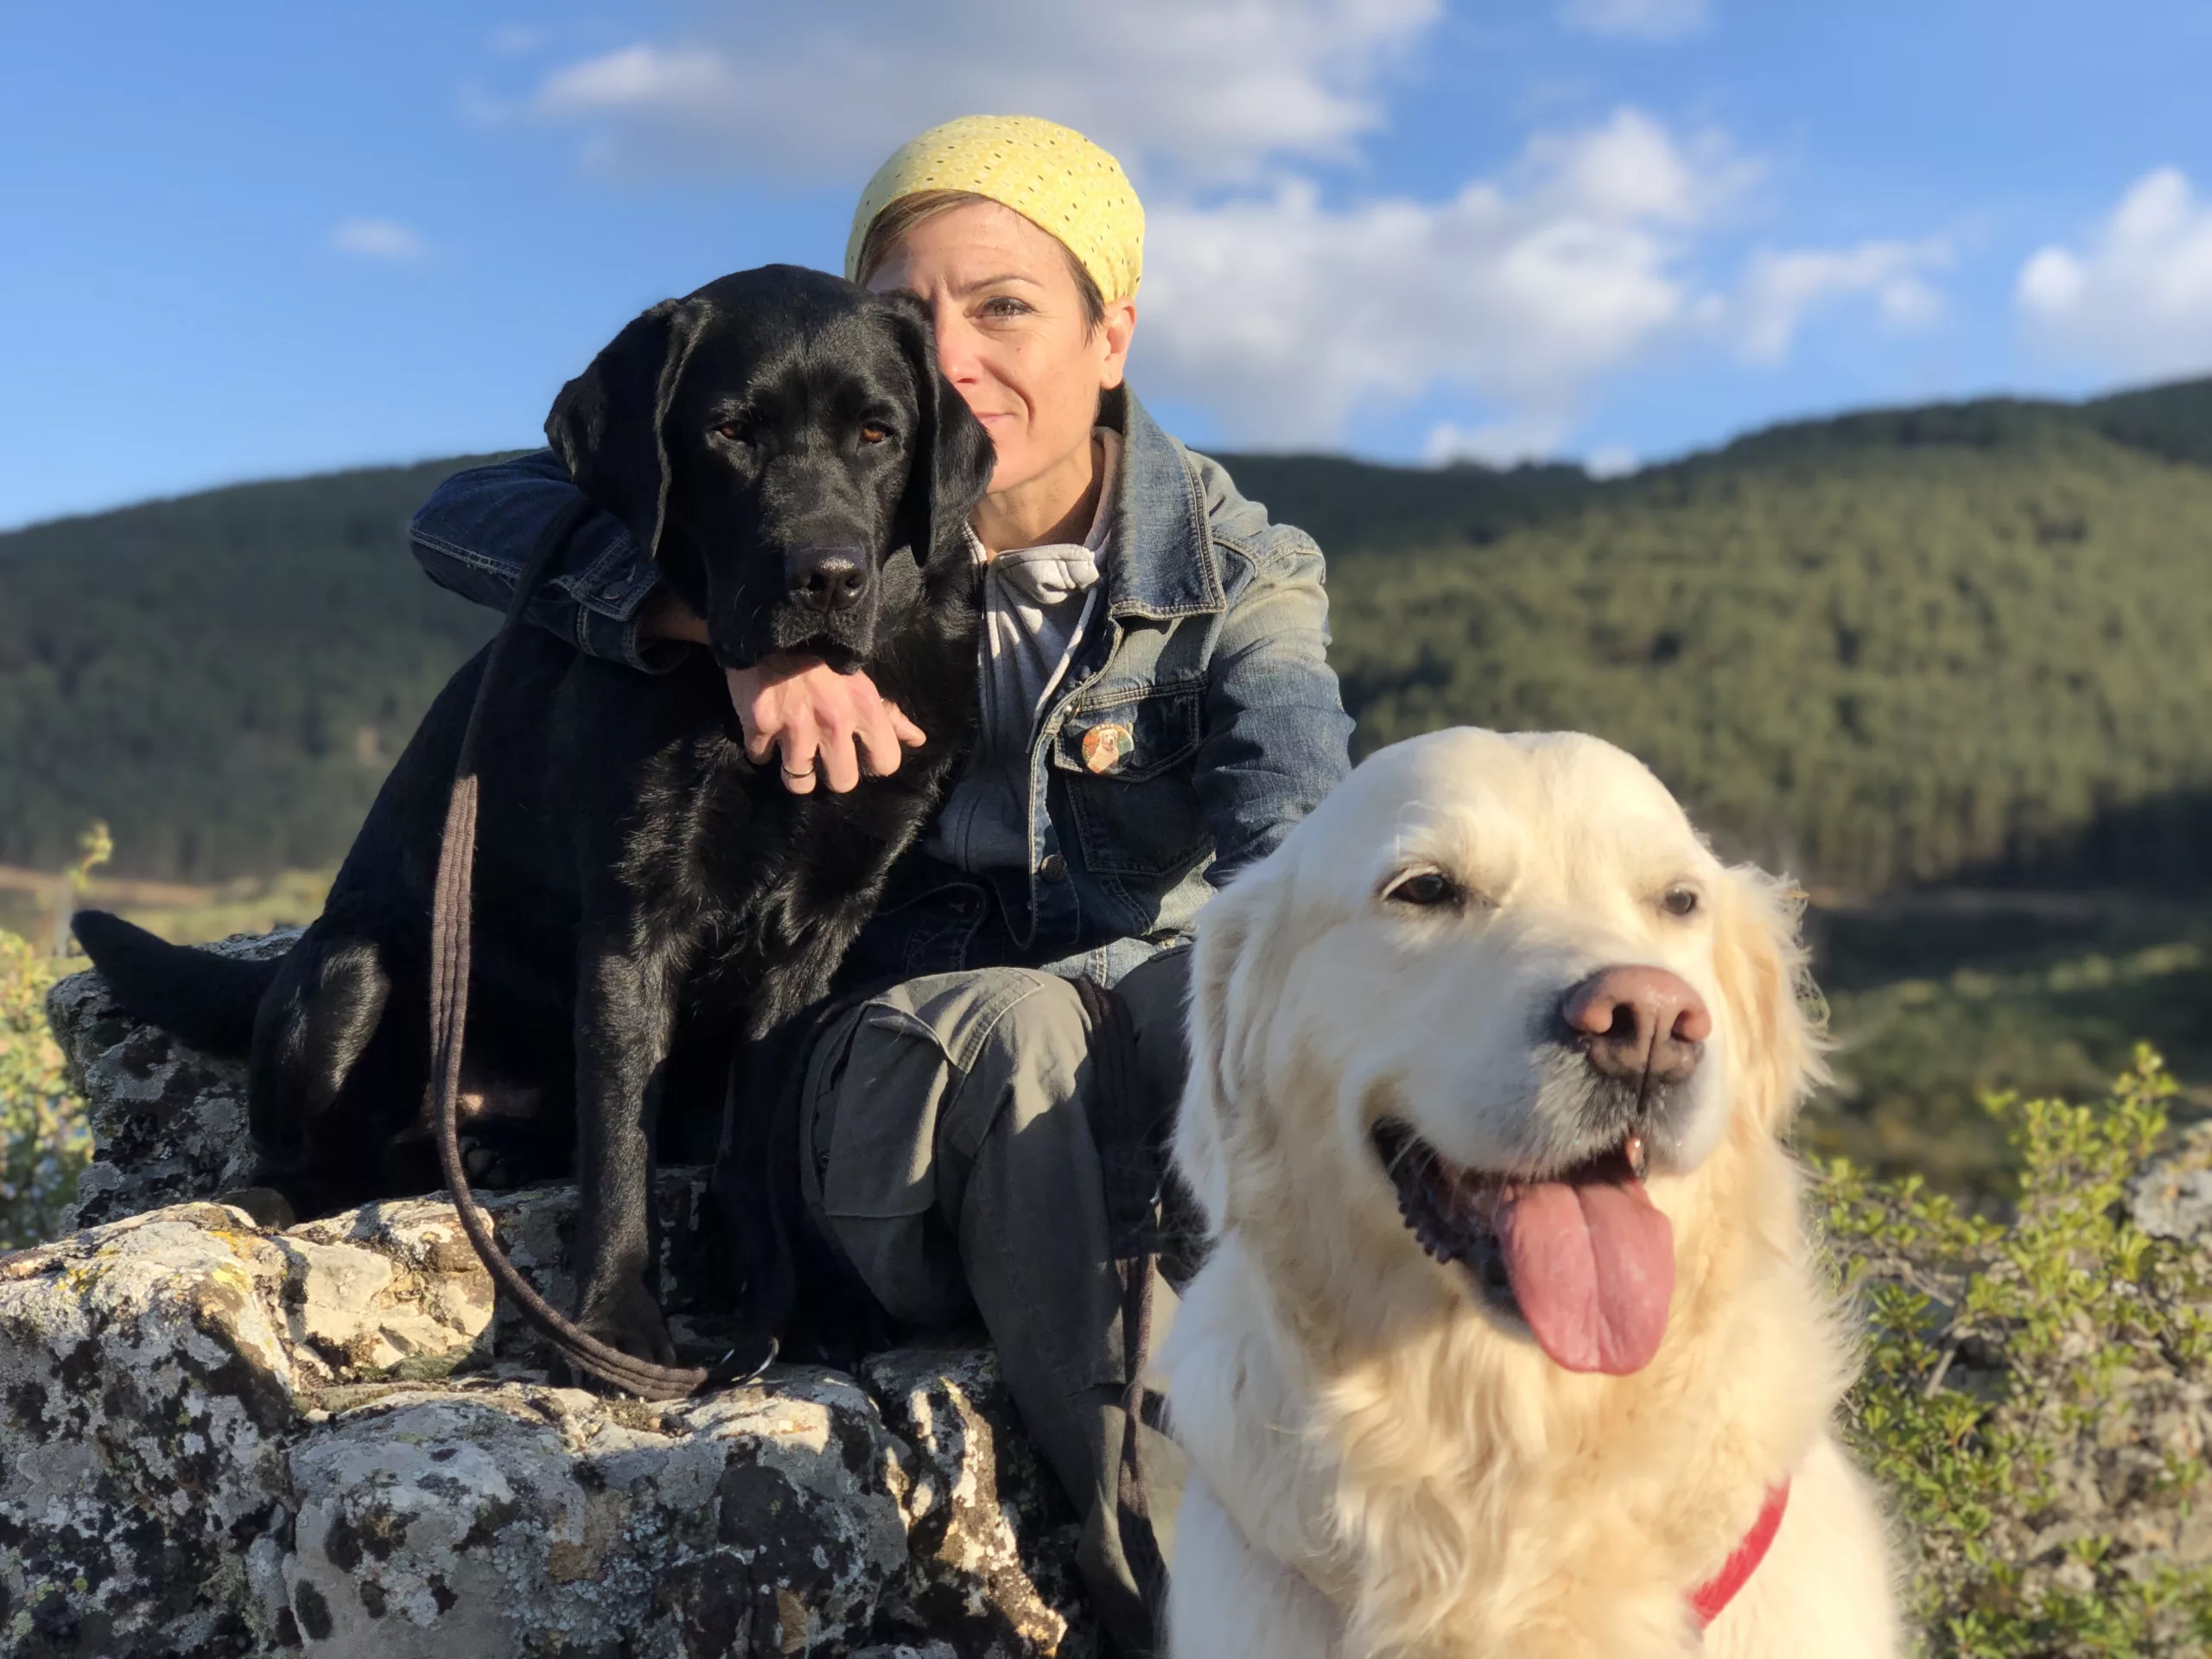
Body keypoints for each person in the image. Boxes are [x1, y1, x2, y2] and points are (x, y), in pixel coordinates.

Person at [409, 114, 1353, 1653]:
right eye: (916, 316)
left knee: (1272, 991)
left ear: (1112, 336)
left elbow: (1291, 812)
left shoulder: (1235, 569)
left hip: (1108, 1027)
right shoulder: (798, 521)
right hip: (887, 1052)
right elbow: (468, 512)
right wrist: (725, 625)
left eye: (1009, 308)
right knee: (1019, 1042)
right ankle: (1198, 1611)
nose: (955, 355)